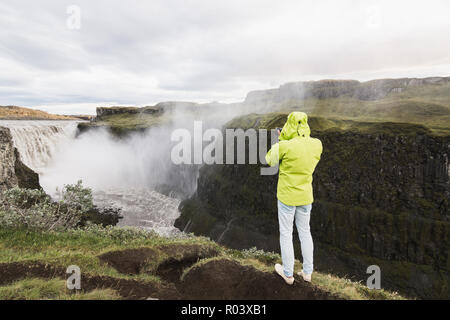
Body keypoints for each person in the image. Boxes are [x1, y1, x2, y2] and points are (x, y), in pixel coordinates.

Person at [265, 112, 323, 285]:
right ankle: (307, 272)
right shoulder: (317, 144)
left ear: (289, 125)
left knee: (286, 233)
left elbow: (269, 160)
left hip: (287, 197)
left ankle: (288, 274)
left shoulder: (284, 146)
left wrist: (282, 139)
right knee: (305, 232)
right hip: (306, 197)